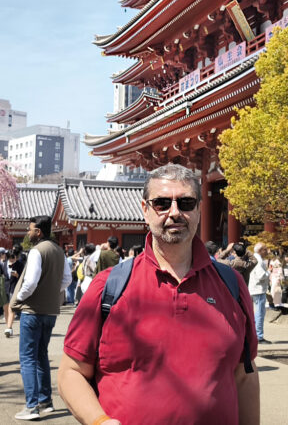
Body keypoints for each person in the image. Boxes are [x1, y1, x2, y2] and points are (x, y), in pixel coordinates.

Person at [59, 163, 259, 425]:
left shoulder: (231, 284)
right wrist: (99, 421)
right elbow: (71, 371)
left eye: (186, 203)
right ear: (145, 210)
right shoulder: (108, 286)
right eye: (162, 203)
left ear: (199, 209)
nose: (174, 212)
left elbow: (243, 374)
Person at [10, 216, 71, 420]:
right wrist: (52, 291)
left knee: (28, 358)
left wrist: (17, 298)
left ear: (38, 232)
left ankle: (31, 406)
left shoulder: (37, 251)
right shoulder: (59, 251)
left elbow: (30, 283)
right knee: (41, 355)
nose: (28, 233)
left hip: (32, 310)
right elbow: (67, 280)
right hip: (50, 311)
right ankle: (46, 402)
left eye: (30, 230)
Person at [248, 242, 271, 343]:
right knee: (259, 313)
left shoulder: (254, 258)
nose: (267, 251)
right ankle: (259, 336)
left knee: (255, 313)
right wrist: (269, 271)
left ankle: (255, 335)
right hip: (258, 289)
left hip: (254, 288)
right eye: (265, 249)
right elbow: (261, 276)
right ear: (260, 250)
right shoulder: (259, 260)